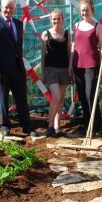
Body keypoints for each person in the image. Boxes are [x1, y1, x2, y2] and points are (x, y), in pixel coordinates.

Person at [0, 0, 35, 136]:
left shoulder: (18, 24)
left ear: (15, 9)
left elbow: (17, 46)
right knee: (3, 98)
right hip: (1, 69)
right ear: (1, 7)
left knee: (22, 98)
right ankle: (5, 126)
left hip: (17, 68)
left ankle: (26, 126)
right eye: (6, 7)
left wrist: (22, 66)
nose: (9, 10)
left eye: (11, 8)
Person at [70, 0, 102, 136]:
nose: (85, 13)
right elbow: (73, 45)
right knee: (82, 96)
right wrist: (70, 65)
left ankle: (96, 126)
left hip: (92, 65)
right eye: (82, 11)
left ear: (92, 10)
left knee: (91, 95)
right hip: (78, 64)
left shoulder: (97, 26)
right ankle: (86, 125)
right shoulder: (76, 26)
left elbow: (101, 46)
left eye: (87, 10)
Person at [40, 9, 72, 137]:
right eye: (54, 19)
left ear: (62, 19)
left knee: (61, 99)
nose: (56, 21)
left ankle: (58, 127)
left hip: (64, 69)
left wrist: (71, 68)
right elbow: (42, 55)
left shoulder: (67, 34)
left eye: (58, 18)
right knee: (56, 97)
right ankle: (50, 126)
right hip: (51, 69)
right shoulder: (46, 34)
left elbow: (69, 52)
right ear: (50, 20)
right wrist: (42, 73)